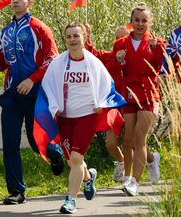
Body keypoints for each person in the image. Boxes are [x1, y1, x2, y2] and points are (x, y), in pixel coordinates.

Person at [37, 22, 126, 214]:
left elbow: (106, 84)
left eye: (76, 36)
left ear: (84, 37)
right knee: (72, 162)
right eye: (68, 37)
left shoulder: (93, 62)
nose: (72, 40)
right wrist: (54, 107)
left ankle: (71, 200)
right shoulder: (59, 63)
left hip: (87, 116)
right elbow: (48, 86)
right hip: (65, 117)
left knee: (76, 158)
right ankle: (88, 178)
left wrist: (100, 103)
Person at [0, 0, 60, 205]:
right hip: (12, 94)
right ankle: (16, 191)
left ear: (29, 2)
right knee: (9, 143)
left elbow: (52, 58)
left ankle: (55, 153)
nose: (15, 0)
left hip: (36, 92)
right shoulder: (5, 32)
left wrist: (32, 79)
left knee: (35, 140)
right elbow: (1, 66)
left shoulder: (39, 28)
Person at [113, 4, 165, 197]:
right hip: (128, 92)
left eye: (144, 20)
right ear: (131, 22)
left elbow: (164, 66)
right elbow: (114, 69)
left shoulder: (157, 42)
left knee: (139, 137)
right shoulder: (120, 44)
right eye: (137, 20)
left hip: (148, 92)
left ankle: (134, 182)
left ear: (150, 22)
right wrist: (117, 60)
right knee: (128, 140)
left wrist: (157, 50)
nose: (140, 24)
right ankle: (148, 162)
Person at [84, 24, 129, 183]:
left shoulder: (138, 59)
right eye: (117, 38)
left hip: (131, 105)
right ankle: (122, 161)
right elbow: (91, 54)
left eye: (124, 37)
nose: (120, 41)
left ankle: (141, 167)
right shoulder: (108, 56)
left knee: (133, 141)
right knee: (111, 144)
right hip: (113, 107)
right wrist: (86, 36)